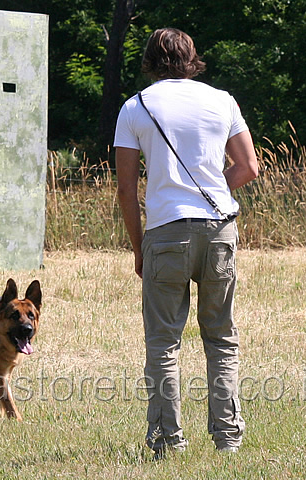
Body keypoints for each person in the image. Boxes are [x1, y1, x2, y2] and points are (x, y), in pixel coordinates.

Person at [114, 28, 258, 455]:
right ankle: (228, 440)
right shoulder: (222, 100)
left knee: (163, 342)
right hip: (218, 231)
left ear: (150, 61)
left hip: (165, 234)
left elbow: (125, 189)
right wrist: (212, 193)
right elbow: (249, 166)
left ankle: (167, 441)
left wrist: (139, 248)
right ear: (192, 58)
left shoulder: (135, 107)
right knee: (221, 337)